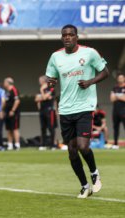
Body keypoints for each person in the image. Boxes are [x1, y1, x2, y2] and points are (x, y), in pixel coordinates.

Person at [45, 24, 109, 198]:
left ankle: (95, 173)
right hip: (65, 109)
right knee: (72, 151)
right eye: (64, 35)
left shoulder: (89, 53)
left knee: (83, 146)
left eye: (70, 35)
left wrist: (90, 82)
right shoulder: (55, 57)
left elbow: (105, 72)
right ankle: (84, 185)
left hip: (85, 107)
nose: (67, 37)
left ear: (76, 37)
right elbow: (50, 76)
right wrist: (51, 81)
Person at [35, 75, 58, 150]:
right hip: (42, 110)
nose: (39, 82)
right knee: (43, 128)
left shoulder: (50, 88)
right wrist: (43, 97)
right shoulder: (39, 89)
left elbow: (44, 97)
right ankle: (43, 145)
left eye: (40, 80)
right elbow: (36, 99)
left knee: (51, 127)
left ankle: (53, 145)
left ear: (43, 81)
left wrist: (42, 93)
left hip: (49, 110)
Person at [3, 77, 21, 150]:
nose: (4, 84)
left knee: (15, 128)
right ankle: (10, 145)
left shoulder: (14, 90)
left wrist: (13, 110)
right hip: (7, 113)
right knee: (9, 129)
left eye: (5, 82)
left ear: (8, 83)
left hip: (14, 113)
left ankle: (17, 144)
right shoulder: (6, 92)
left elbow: (17, 101)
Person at [110, 73, 125, 149]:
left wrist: (116, 96)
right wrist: (120, 96)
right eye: (119, 78)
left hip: (124, 110)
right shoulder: (115, 88)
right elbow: (112, 99)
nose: (120, 79)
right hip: (115, 111)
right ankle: (115, 144)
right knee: (115, 127)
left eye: (121, 78)